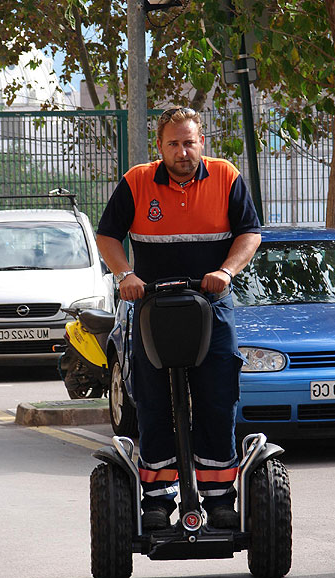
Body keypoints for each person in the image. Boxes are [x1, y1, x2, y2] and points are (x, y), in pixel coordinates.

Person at [97, 107, 261, 530]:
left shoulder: (226, 177)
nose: (182, 151)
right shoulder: (137, 181)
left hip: (213, 305)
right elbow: (107, 235)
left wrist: (226, 272)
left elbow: (250, 233)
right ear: (160, 147)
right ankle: (157, 500)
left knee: (217, 398)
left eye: (189, 142)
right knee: (152, 402)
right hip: (152, 308)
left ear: (201, 142)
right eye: (173, 143)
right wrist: (125, 275)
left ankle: (219, 498)